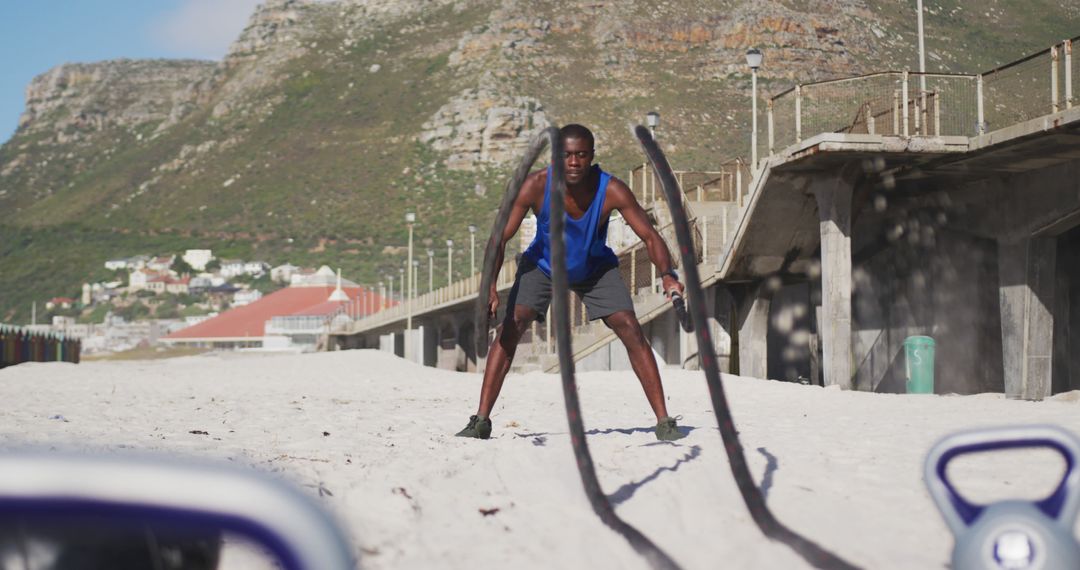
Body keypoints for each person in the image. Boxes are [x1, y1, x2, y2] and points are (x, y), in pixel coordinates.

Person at [456, 124, 687, 441]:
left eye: (581, 155)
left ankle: (664, 421)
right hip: (543, 265)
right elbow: (498, 239)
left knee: (629, 326)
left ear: (592, 156)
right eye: (567, 155)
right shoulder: (535, 186)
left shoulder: (612, 190)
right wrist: (489, 287)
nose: (574, 162)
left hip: (594, 268)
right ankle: (480, 420)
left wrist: (666, 274)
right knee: (513, 324)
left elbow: (649, 235)